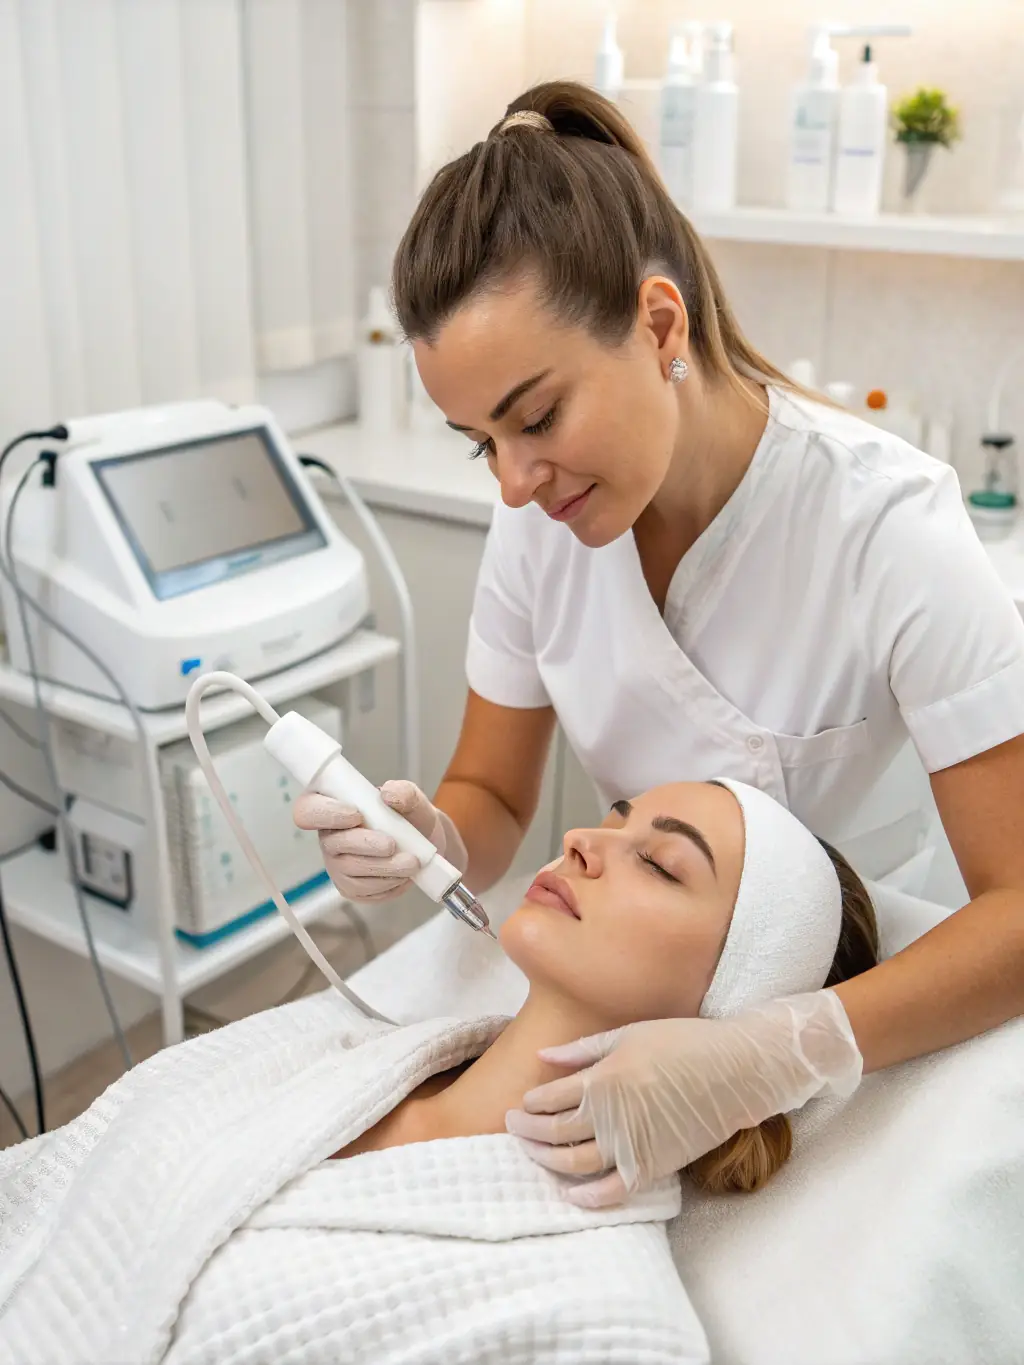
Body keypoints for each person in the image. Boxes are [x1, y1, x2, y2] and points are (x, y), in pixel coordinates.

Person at [296, 81, 1024, 1206]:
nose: (514, 481)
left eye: (537, 417)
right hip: (636, 993)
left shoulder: (886, 526)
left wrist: (778, 1051)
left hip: (864, 1022)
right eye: (480, 441)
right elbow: (492, 794)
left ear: (660, 325)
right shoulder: (539, 524)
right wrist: (433, 839)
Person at [0, 781, 878, 1365]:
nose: (580, 841)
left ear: (729, 1016)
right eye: (613, 819)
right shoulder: (346, 1053)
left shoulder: (606, 1316)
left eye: (658, 861)